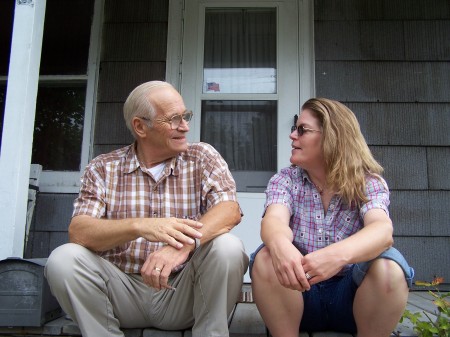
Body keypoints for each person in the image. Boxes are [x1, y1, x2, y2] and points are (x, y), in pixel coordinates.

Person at [45, 81, 249, 337]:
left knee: (228, 247)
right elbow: (80, 232)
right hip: (120, 294)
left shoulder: (201, 156)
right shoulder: (103, 168)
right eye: (174, 119)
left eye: (185, 116)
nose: (185, 126)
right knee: (64, 259)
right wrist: (140, 225)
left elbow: (229, 209)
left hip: (183, 294)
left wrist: (183, 247)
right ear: (140, 126)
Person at [250, 98, 414, 337]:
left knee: (390, 266)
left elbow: (381, 229)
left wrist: (336, 256)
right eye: (294, 129)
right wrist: (280, 244)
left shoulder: (368, 183)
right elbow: (274, 221)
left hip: (354, 300)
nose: (292, 135)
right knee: (267, 256)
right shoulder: (286, 180)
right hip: (298, 296)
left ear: (332, 136)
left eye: (302, 130)